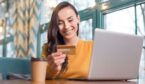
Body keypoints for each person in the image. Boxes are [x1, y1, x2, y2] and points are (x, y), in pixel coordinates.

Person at [41, 1, 93, 79]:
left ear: (78, 19)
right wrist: (52, 70)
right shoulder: (48, 48)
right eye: (60, 23)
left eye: (70, 20)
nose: (66, 26)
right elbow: (40, 78)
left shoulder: (92, 46)